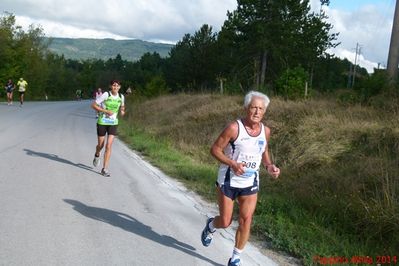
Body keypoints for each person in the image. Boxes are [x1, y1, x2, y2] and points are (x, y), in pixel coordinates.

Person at [201, 90, 280, 266]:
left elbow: (264, 151)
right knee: (226, 221)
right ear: (246, 108)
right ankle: (211, 226)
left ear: (265, 111)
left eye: (261, 109)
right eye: (253, 107)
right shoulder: (234, 128)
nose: (257, 112)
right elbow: (215, 150)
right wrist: (232, 164)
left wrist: (269, 166)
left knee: (246, 219)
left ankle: (236, 257)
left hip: (250, 182)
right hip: (228, 181)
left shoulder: (266, 131)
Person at [91, 80, 125, 177]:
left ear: (119, 87)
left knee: (108, 146)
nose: (115, 87)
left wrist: (122, 111)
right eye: (114, 85)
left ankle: (104, 169)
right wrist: (105, 110)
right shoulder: (106, 94)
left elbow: (122, 106)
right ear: (111, 86)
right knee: (100, 145)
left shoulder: (121, 97)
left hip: (113, 123)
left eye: (117, 86)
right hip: (102, 122)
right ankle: (97, 154)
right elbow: (93, 105)